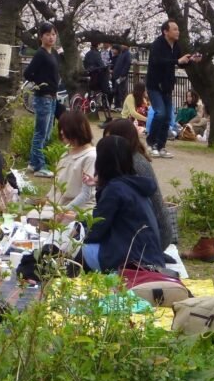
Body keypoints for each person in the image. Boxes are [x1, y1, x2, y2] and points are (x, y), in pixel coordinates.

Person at [77, 135, 167, 272]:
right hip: (152, 258)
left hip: (129, 263)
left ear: (102, 161)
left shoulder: (114, 190)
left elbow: (95, 231)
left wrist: (77, 229)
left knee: (76, 249)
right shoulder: (136, 184)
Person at [103, 118, 175, 251]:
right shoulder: (135, 158)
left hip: (153, 235)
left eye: (109, 140)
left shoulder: (133, 165)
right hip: (155, 231)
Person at [145, 20, 201, 158]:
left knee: (167, 117)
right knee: (160, 113)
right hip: (154, 85)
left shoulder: (175, 45)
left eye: (178, 29)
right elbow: (158, 61)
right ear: (166, 31)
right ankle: (151, 144)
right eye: (174, 29)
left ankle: (161, 146)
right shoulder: (157, 45)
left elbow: (180, 62)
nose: (178, 32)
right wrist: (177, 61)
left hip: (167, 86)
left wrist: (190, 60)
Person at [23, 21, 60, 178]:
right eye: (47, 34)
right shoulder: (40, 54)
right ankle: (40, 166)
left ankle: (33, 162)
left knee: (46, 132)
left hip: (51, 97)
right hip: (43, 97)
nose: (51, 37)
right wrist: (40, 83)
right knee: (41, 133)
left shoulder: (52, 54)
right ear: (41, 37)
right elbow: (28, 73)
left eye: (53, 34)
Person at [52, 110, 96, 211]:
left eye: (65, 128)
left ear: (77, 130)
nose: (62, 132)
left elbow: (86, 195)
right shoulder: (65, 151)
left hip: (79, 208)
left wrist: (64, 211)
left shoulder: (90, 157)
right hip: (59, 203)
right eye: (61, 128)